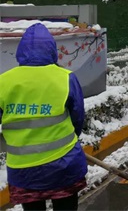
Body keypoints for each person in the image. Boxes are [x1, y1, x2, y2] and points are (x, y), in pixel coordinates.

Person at [0, 23, 87, 211]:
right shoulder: (66, 77)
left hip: (24, 172)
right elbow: (77, 118)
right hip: (63, 166)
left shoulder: (3, 81)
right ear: (51, 50)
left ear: (21, 50)